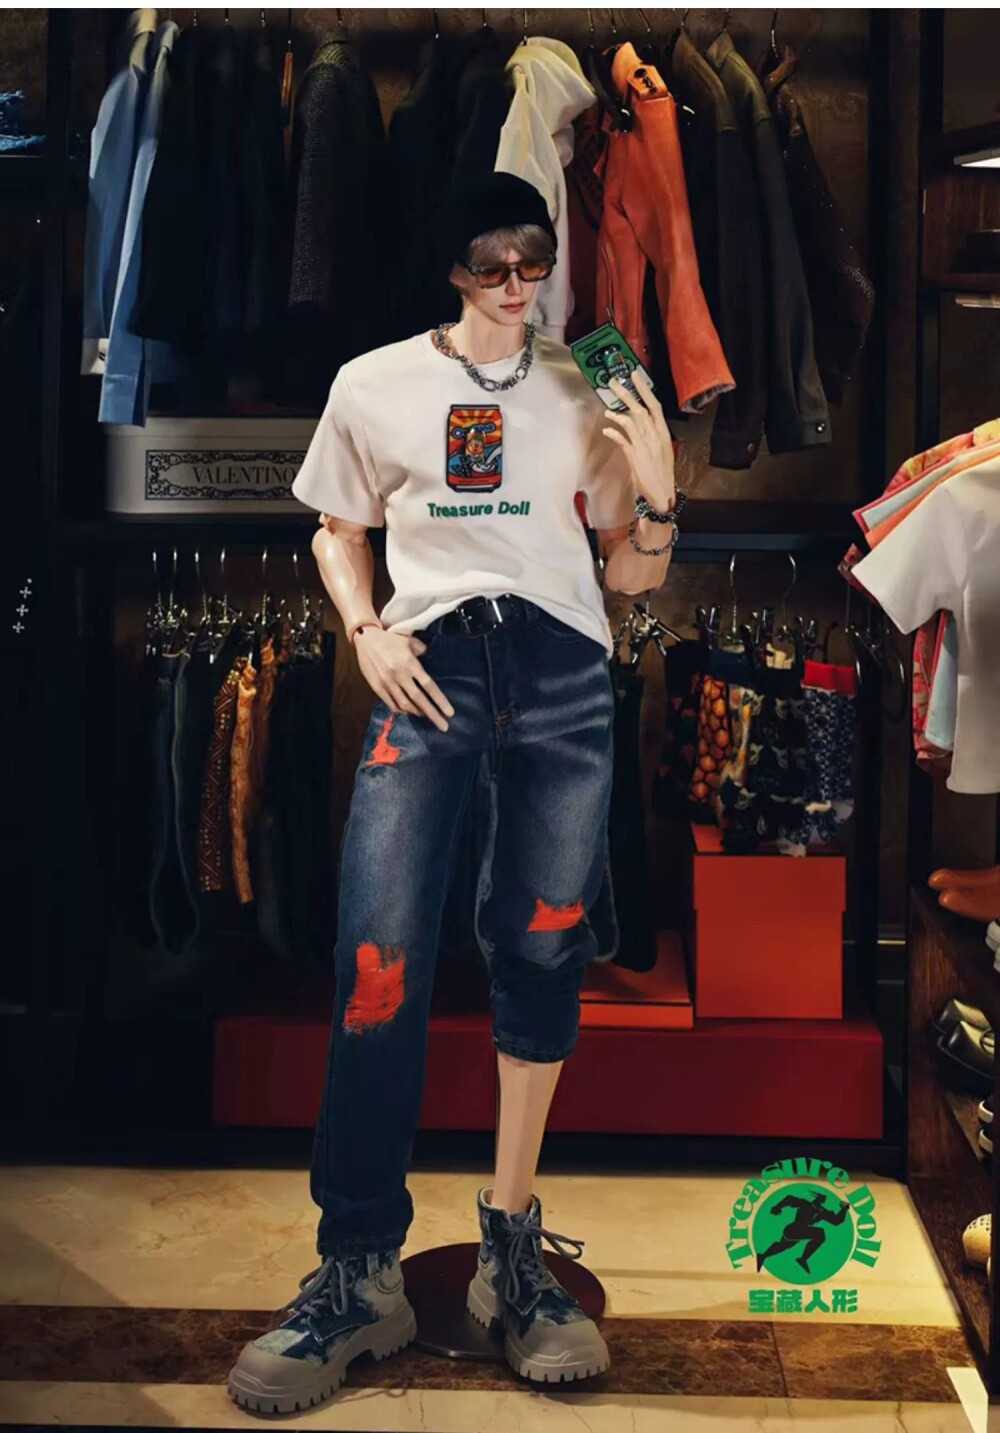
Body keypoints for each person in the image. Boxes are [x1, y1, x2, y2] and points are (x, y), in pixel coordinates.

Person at [227, 172, 681, 1414]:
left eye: (534, 260)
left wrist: (657, 487)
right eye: (492, 264)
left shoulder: (588, 379)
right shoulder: (374, 383)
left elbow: (631, 576)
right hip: (428, 669)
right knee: (377, 961)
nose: (518, 285)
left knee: (542, 948)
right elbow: (336, 526)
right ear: (449, 267)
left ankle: (509, 1253)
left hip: (562, 672)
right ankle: (357, 1267)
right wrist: (365, 628)